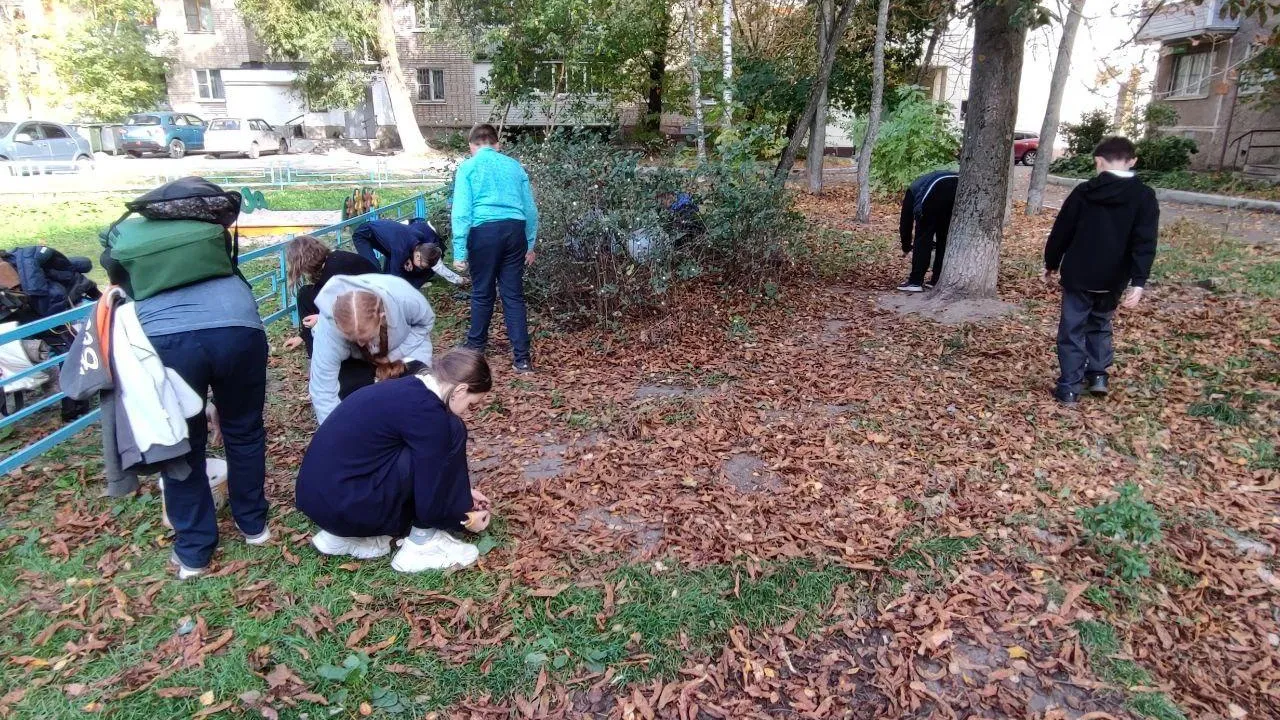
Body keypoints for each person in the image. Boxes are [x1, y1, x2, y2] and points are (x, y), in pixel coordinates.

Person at [295, 348, 494, 572]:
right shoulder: (430, 415)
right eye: (472, 404)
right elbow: (431, 484)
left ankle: (343, 537)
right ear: (460, 389)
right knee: (453, 429)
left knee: (437, 441)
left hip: (321, 499)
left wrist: (460, 493)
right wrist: (463, 516)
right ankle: (422, 544)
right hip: (344, 506)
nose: (468, 411)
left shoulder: (405, 387)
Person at [135, 274, 270, 580]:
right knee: (245, 430)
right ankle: (254, 526)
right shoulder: (211, 228)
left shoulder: (131, 235)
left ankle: (194, 552)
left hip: (164, 336)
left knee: (181, 442)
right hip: (238, 327)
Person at [1043, 136, 1159, 405]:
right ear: (1132, 161)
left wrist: (1051, 263)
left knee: (1072, 328)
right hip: (1114, 277)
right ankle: (1098, 376)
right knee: (1100, 323)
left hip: (1079, 274)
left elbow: (1062, 231)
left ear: (1098, 161)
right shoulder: (1144, 196)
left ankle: (1069, 387)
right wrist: (1138, 281)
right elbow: (1144, 242)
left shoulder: (1084, 192)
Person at [451, 124, 538, 373]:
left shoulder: (468, 167)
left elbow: (461, 212)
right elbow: (531, 210)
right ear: (497, 144)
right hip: (514, 231)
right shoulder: (514, 166)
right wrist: (529, 244)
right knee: (513, 295)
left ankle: (475, 349)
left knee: (482, 292)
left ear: (472, 147)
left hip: (484, 232)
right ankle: (522, 359)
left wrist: (459, 251)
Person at [308, 273, 436, 424]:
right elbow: (323, 390)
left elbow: (425, 323)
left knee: (419, 394)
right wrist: (335, 430)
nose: (361, 344)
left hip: (404, 348)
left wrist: (395, 354)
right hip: (357, 360)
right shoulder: (329, 330)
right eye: (353, 339)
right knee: (352, 397)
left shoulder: (404, 297)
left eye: (366, 337)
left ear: (382, 317)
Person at [282, 234, 379, 355]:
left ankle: (318, 355)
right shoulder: (333, 260)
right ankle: (313, 345)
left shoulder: (335, 271)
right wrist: (303, 336)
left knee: (305, 295)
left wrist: (321, 320)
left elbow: (355, 308)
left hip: (378, 318)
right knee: (306, 293)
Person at [352, 218, 468, 290]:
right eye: (421, 266)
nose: (419, 268)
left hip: (384, 236)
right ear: (417, 255)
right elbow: (394, 279)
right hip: (363, 236)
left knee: (388, 271)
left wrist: (407, 258)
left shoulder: (419, 237)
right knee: (374, 269)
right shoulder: (401, 251)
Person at [897, 169, 959, 293]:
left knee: (923, 238)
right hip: (956, 187)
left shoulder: (912, 190)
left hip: (933, 192)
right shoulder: (923, 183)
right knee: (944, 238)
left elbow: (906, 222)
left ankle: (915, 282)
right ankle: (937, 279)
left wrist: (906, 246)